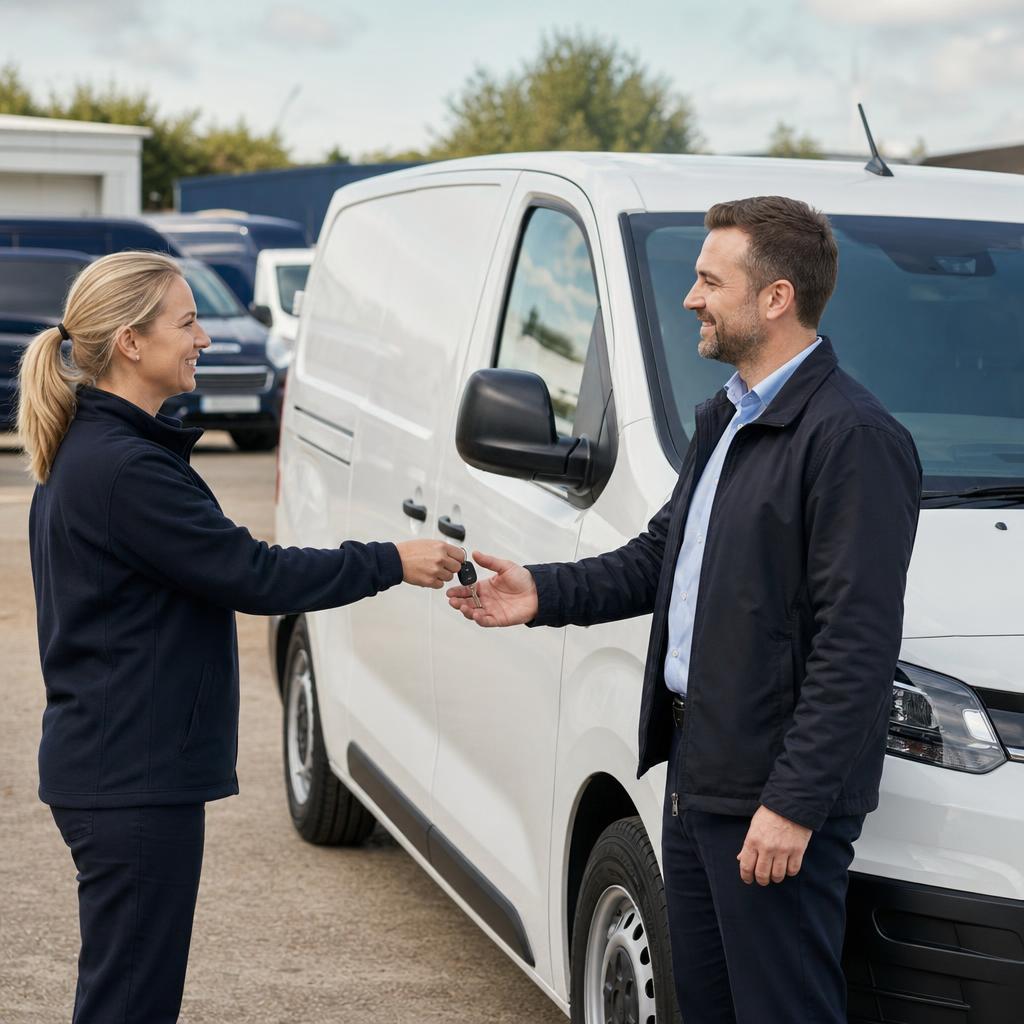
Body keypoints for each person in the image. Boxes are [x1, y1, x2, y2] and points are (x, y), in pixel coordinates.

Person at [448, 196, 922, 1023]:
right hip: (698, 769)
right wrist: (542, 593)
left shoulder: (851, 438)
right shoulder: (728, 416)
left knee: (781, 1010)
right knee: (705, 1005)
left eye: (709, 280)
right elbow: (663, 558)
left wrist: (792, 804)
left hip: (768, 795)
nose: (691, 299)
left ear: (775, 297)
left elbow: (858, 645)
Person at [18, 251, 464, 1024]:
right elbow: (253, 574)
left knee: (127, 992)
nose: (205, 338)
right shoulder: (124, 469)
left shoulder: (97, 450)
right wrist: (392, 558)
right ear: (130, 341)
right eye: (186, 321)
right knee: (129, 1003)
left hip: (115, 765)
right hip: (129, 777)